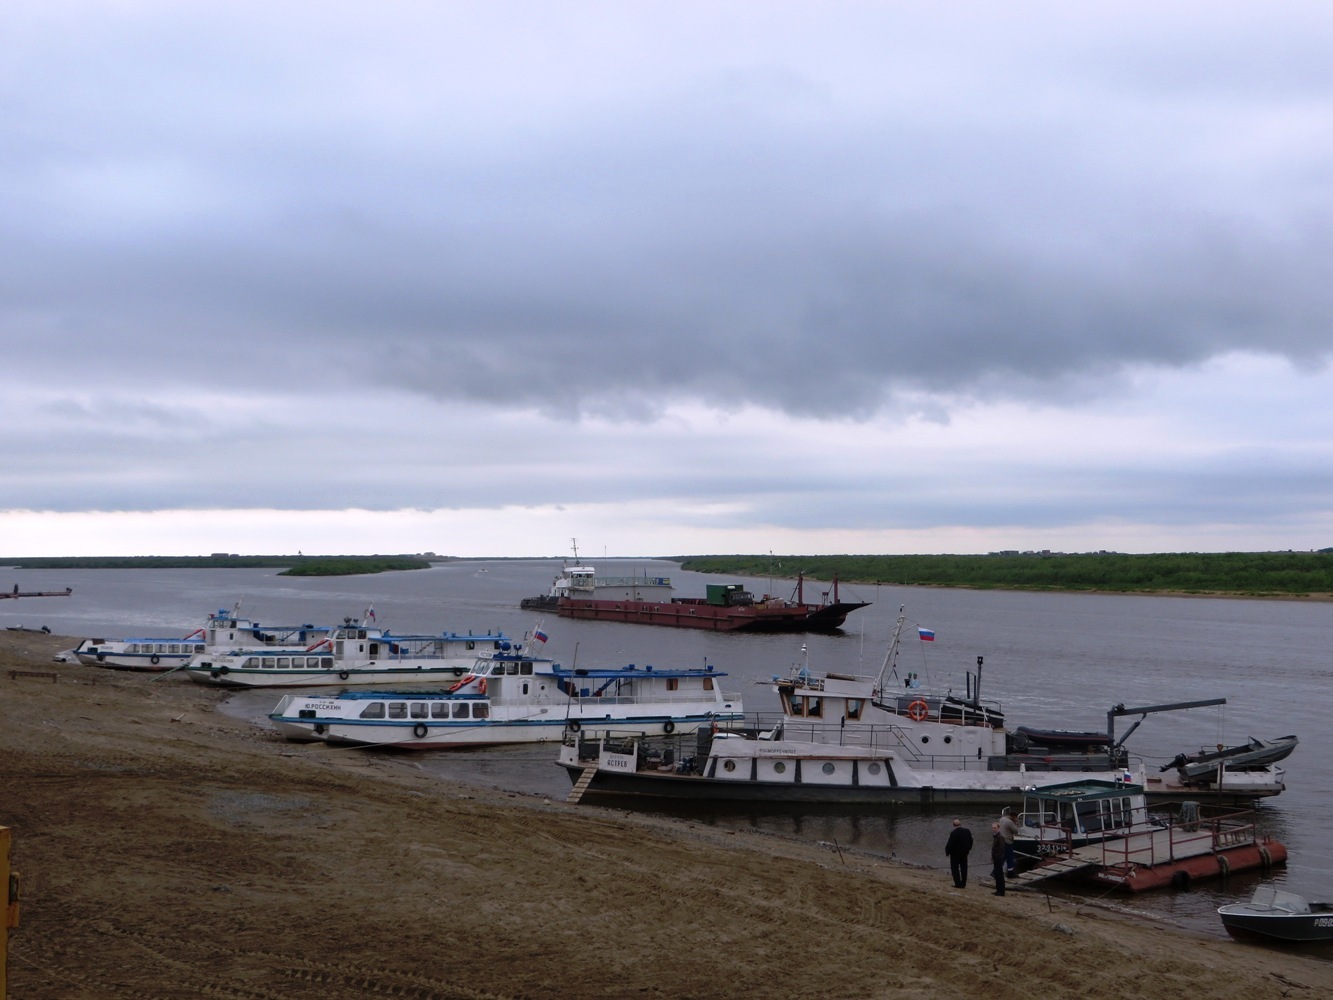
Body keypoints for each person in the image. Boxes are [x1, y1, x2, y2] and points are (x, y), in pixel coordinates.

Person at [944, 818, 973, 888]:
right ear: (960, 824)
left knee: (955, 868)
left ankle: (958, 883)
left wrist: (947, 852)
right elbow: (971, 841)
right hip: (964, 853)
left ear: (953, 825)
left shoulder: (954, 833)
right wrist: (968, 849)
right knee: (964, 868)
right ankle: (963, 883)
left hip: (955, 854)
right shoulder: (967, 831)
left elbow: (950, 844)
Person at [999, 806, 1021, 876]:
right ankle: (1010, 872)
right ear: (1014, 817)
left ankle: (996, 871)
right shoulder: (1010, 822)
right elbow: (1016, 831)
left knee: (1003, 857)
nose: (1017, 819)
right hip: (1007, 841)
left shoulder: (1002, 819)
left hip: (1001, 840)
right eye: (1016, 817)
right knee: (1010, 857)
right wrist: (1016, 823)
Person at [990, 822, 1007, 896]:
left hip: (999, 858)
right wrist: (992, 857)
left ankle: (1001, 891)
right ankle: (998, 890)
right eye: (993, 828)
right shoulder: (996, 836)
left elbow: (1001, 848)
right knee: (997, 875)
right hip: (996, 858)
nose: (993, 829)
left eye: (995, 828)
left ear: (998, 828)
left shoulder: (1000, 837)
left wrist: (996, 857)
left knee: (999, 875)